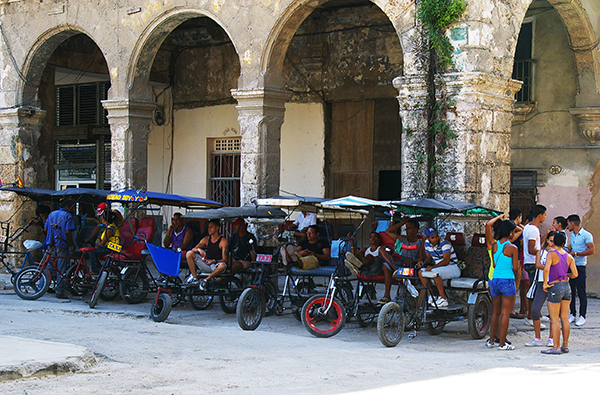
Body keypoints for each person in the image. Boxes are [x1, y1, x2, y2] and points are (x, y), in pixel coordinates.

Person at [485, 219, 520, 350]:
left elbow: (494, 264)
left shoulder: (494, 245)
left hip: (495, 279)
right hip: (507, 279)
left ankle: (491, 340)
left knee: (495, 312)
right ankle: (502, 343)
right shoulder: (512, 247)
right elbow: (515, 268)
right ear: (511, 233)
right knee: (505, 313)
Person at [542, 232, 578, 354]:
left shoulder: (551, 254)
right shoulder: (569, 257)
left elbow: (546, 268)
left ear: (553, 242)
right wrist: (567, 275)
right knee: (564, 318)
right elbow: (575, 274)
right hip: (566, 286)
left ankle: (555, 347)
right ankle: (565, 345)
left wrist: (545, 283)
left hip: (555, 286)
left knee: (554, 319)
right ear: (563, 244)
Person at [379, 217, 425, 304]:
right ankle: (387, 295)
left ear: (416, 230)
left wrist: (412, 261)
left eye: (409, 228)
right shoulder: (402, 239)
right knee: (384, 257)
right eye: (406, 228)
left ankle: (397, 270)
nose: (407, 230)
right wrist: (403, 222)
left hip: (410, 267)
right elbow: (388, 232)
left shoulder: (420, 242)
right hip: (398, 263)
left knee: (399, 268)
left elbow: (421, 258)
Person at [525, 232, 556, 347]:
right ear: (547, 240)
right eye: (550, 240)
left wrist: (547, 267)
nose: (552, 243)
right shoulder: (541, 252)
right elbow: (538, 265)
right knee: (535, 309)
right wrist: (549, 267)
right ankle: (537, 337)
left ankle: (551, 338)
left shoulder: (558, 253)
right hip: (541, 282)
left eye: (554, 241)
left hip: (554, 283)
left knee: (553, 312)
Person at [417, 227, 461, 308]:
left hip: (452, 267)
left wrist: (433, 267)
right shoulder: (426, 243)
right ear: (428, 238)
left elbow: (446, 261)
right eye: (432, 238)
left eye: (436, 236)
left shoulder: (445, 244)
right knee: (421, 272)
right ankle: (431, 296)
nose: (435, 239)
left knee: (434, 273)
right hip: (438, 267)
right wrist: (422, 262)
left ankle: (443, 298)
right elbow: (429, 259)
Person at [44, 199, 76, 299]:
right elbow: (67, 232)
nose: (74, 209)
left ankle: (42, 287)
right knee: (61, 269)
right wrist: (71, 245)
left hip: (51, 244)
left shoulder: (51, 214)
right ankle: (60, 291)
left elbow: (45, 229)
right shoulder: (68, 216)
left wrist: (50, 237)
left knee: (49, 266)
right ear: (67, 206)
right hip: (62, 244)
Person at [567, 214, 595, 327]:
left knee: (581, 291)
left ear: (573, 223)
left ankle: (582, 315)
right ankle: (572, 314)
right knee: (572, 291)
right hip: (571, 264)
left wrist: (577, 254)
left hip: (580, 266)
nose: (567, 226)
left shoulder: (586, 235)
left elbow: (591, 250)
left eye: (568, 223)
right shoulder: (573, 235)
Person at [185, 219, 228, 291]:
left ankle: (206, 280)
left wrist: (214, 261)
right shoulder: (206, 239)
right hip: (207, 264)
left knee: (222, 265)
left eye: (211, 227)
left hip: (216, 265)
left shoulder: (223, 241)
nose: (209, 229)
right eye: (208, 227)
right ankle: (195, 279)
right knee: (189, 253)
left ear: (217, 228)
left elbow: (225, 259)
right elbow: (193, 249)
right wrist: (199, 250)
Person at [523, 205, 546, 327]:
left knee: (533, 290)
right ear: (539, 215)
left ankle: (534, 315)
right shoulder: (533, 230)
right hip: (533, 262)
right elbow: (532, 249)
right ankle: (531, 317)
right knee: (534, 291)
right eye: (545, 215)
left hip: (529, 262)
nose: (545, 218)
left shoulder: (527, 227)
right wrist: (542, 253)